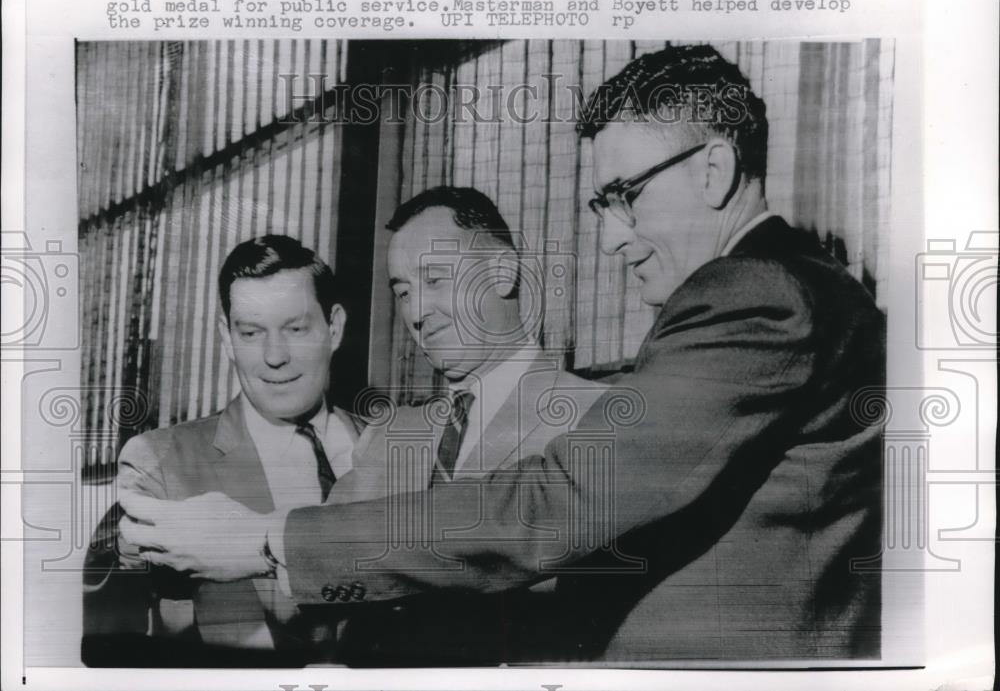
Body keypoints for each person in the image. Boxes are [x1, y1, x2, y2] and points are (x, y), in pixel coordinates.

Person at [121, 44, 886, 662]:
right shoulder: (782, 294)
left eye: (626, 195)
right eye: (599, 206)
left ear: (714, 169)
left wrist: (261, 536)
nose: (612, 235)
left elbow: (550, 507)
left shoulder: (756, 295)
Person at [329, 186, 605, 665]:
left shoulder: (595, 417)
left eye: (434, 279)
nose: (416, 313)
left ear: (502, 272)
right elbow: (323, 577)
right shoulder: (384, 440)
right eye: (403, 292)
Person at [90, 235, 364, 666]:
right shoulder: (163, 463)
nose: (275, 356)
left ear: (334, 328)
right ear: (226, 337)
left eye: (295, 329)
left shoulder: (397, 448)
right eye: (251, 333)